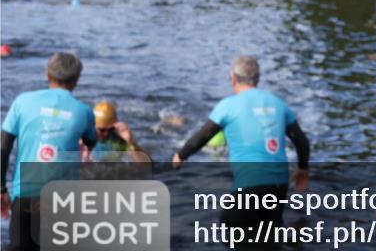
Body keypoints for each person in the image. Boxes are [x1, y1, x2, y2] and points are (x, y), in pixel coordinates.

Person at [172, 56, 309, 228]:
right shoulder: (279, 104)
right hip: (279, 184)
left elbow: (201, 137)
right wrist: (302, 168)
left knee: (229, 229)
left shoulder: (228, 105)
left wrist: (180, 157)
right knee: (269, 233)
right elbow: (302, 142)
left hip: (250, 183)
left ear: (233, 79)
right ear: (257, 79)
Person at [0, 53, 97, 248]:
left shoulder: (22, 101)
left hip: (25, 197)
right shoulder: (84, 111)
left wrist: (1, 189)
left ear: (47, 74)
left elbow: (3, 146)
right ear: (77, 79)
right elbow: (90, 141)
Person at [83, 100, 148, 162]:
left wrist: (131, 142)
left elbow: (148, 166)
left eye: (110, 129)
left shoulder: (118, 138)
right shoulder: (83, 137)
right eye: (102, 130)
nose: (106, 133)